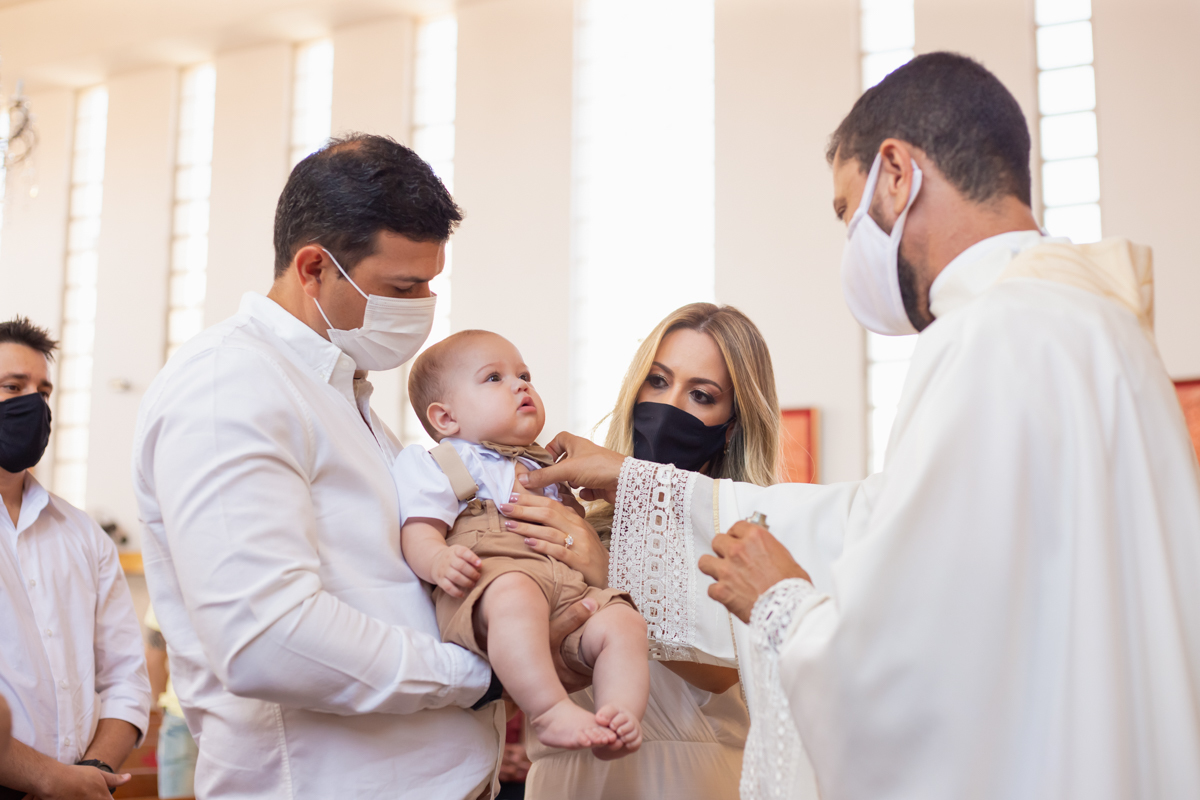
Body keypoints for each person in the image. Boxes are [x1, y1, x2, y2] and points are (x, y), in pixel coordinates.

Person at [523, 52, 1200, 800]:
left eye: (848, 212)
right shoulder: (1083, 320)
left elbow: (919, 666)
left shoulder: (993, 336)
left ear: (898, 172)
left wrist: (781, 605)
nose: (852, 246)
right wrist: (635, 482)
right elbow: (880, 520)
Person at [132, 135, 594, 799]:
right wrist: (484, 673)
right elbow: (269, 637)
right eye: (403, 286)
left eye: (431, 283)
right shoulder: (229, 386)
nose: (422, 304)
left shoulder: (342, 396)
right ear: (314, 267)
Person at [516, 302, 780, 799]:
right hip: (564, 777)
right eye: (657, 381)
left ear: (732, 424)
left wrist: (604, 572)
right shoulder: (580, 521)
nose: (670, 405)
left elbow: (722, 671)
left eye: (701, 394)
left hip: (682, 781)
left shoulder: (749, 531)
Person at [394, 330, 648, 755]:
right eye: (494, 378)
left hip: (566, 590)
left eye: (524, 374)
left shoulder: (546, 466)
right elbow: (418, 529)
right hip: (493, 580)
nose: (520, 384)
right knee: (516, 592)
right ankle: (548, 712)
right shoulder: (440, 462)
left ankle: (617, 716)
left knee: (624, 619)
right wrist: (438, 560)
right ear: (445, 419)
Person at [0, 317, 151, 799]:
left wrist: (90, 772)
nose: (33, 405)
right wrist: (47, 778)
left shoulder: (81, 534)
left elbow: (126, 676)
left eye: (42, 392)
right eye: (12, 387)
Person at [143, 606, 198, 799]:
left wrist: (163, 704)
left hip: (181, 712)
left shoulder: (172, 577)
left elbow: (153, 659)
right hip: (241, 714)